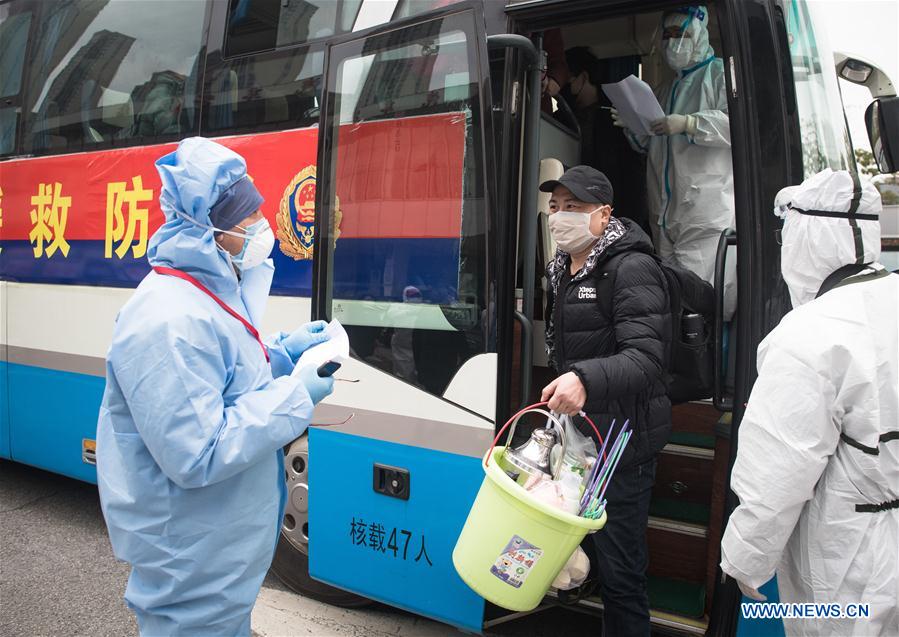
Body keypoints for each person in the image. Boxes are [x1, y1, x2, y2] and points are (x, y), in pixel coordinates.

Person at [96, 137, 335, 636]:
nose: (259, 226)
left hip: (215, 563)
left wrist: (280, 355)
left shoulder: (203, 293)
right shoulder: (165, 317)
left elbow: (221, 376)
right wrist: (295, 396)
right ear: (211, 228)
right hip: (190, 563)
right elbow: (198, 450)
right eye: (246, 217)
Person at [720, 169, 898, 636]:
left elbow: (776, 475)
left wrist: (743, 560)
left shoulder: (809, 336)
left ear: (807, 239)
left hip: (849, 559)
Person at [539, 165, 671, 637]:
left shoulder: (631, 266)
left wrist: (584, 380)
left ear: (604, 214)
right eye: (555, 208)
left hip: (622, 445)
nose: (560, 217)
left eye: (573, 208)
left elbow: (646, 357)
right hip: (583, 441)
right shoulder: (563, 266)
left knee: (621, 574)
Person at [613, 5, 735, 316]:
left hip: (705, 215)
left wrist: (689, 124)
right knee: (672, 303)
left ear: (699, 35)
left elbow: (739, 125)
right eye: (666, 35)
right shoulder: (663, 90)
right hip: (665, 216)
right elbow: (651, 147)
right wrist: (634, 127)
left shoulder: (720, 74)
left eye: (680, 34)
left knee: (705, 304)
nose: (672, 41)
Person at [559, 46, 650, 234]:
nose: (562, 89)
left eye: (567, 80)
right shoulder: (561, 120)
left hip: (616, 215)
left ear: (583, 78)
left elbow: (633, 177)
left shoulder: (617, 118)